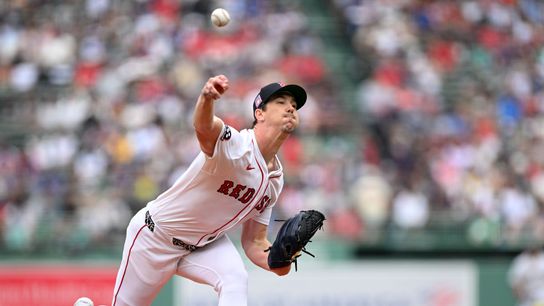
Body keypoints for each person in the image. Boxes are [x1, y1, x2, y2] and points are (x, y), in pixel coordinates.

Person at [111, 75, 308, 306]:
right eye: (281, 102)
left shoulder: (275, 180)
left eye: (294, 105)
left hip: (204, 245)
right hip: (156, 237)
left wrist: (281, 258)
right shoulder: (236, 146)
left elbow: (254, 243)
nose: (290, 108)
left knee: (234, 278)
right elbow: (204, 127)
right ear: (259, 113)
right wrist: (206, 98)